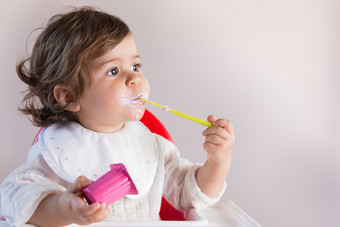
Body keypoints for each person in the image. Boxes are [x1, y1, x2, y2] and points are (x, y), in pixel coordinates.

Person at [0, 6, 235, 227]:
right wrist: (66, 208)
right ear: (70, 97)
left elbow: (191, 195)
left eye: (135, 66)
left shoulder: (151, 147)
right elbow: (16, 201)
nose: (134, 79)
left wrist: (218, 161)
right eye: (113, 70)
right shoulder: (57, 150)